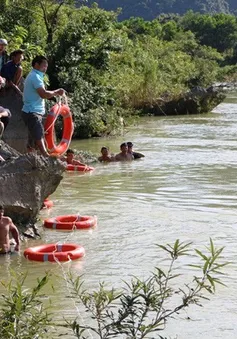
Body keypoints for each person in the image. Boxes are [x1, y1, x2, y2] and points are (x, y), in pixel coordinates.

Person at [22, 55, 65, 156]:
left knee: (32, 138)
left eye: (46, 66)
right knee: (39, 135)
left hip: (31, 112)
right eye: (43, 66)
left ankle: (31, 158)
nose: (45, 68)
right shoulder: (35, 77)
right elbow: (43, 94)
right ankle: (45, 155)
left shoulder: (36, 75)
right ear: (36, 65)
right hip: (32, 112)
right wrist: (56, 92)